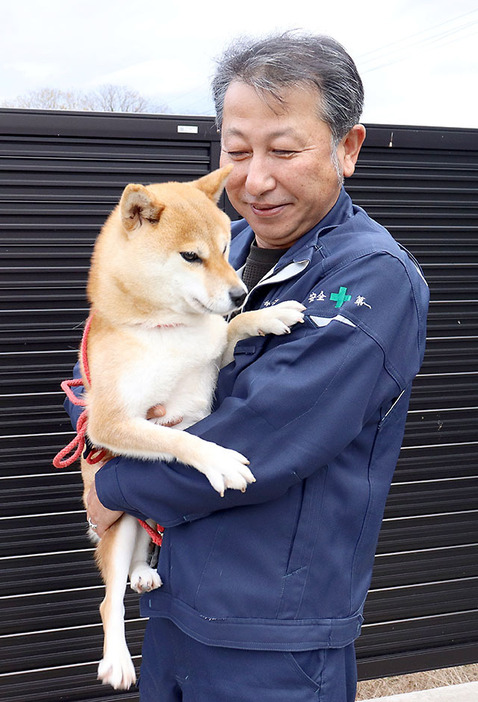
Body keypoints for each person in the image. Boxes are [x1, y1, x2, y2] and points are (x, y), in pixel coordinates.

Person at [67, 32, 429, 702]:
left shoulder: (368, 279)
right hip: (176, 606)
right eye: (237, 152)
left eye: (284, 151)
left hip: (273, 636)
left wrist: (111, 485)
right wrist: (102, 420)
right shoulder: (217, 243)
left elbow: (259, 442)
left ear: (347, 148)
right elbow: (107, 350)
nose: (255, 180)